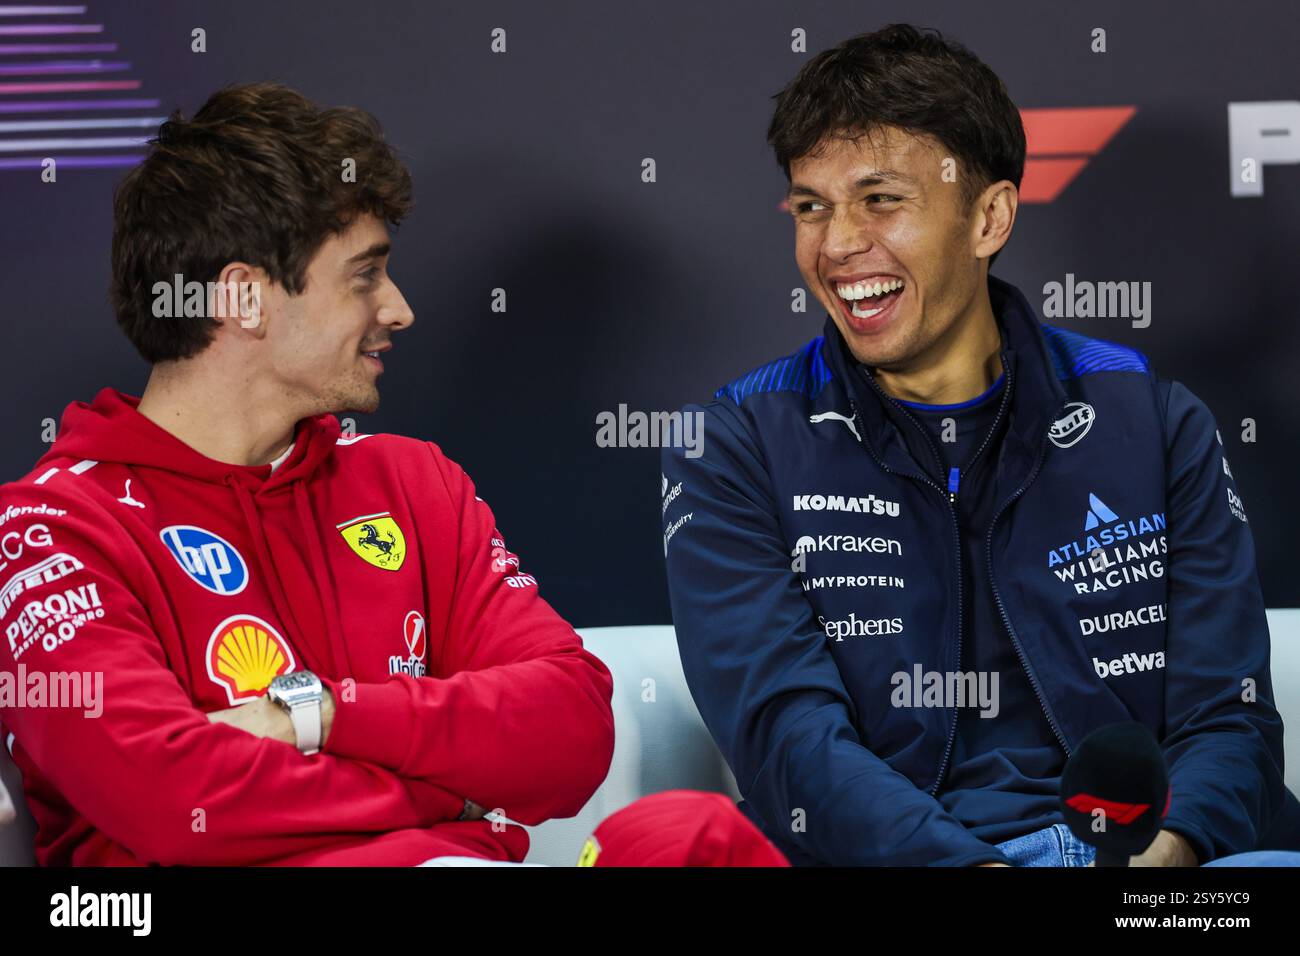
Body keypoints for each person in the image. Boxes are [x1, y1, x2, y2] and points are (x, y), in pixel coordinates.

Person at [661, 25, 1297, 866]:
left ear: (988, 216)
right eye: (812, 205)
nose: (838, 244)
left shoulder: (1153, 419)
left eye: (880, 198)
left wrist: (1169, 855)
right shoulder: (737, 444)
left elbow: (1231, 715)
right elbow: (788, 740)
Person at [0, 82, 614, 865]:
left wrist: (316, 716)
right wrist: (449, 796)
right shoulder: (52, 527)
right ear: (245, 299)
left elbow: (574, 729)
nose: (398, 309)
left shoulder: (412, 482)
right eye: (364, 275)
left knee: (684, 840)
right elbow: (173, 796)